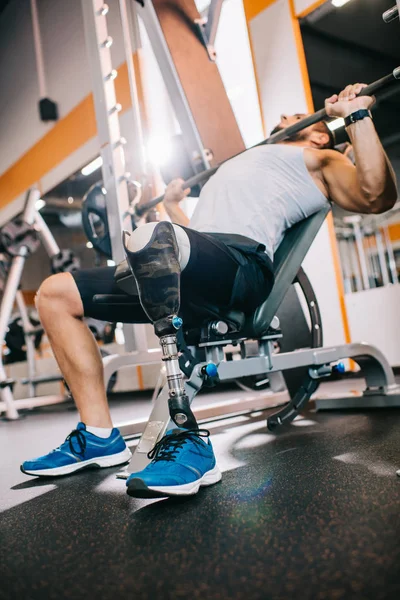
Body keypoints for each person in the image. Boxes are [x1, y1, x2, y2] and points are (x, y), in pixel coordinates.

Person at [21, 84, 397, 497]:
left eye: (292, 117)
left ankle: (187, 438)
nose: (285, 120)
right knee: (55, 292)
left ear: (320, 133)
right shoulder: (249, 160)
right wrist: (171, 202)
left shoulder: (318, 157)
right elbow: (197, 236)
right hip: (197, 260)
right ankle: (97, 434)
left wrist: (356, 114)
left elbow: (376, 195)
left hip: (242, 269)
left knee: (158, 239)